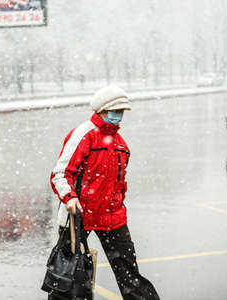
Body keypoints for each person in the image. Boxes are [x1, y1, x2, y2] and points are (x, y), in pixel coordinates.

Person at [50, 86, 160, 300]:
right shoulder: (84, 134)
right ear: (102, 110)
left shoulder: (120, 144)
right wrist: (70, 198)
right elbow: (60, 174)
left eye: (121, 112)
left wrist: (116, 203)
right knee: (66, 275)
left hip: (112, 217)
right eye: (115, 111)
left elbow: (118, 183)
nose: (118, 116)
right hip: (77, 217)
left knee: (129, 275)